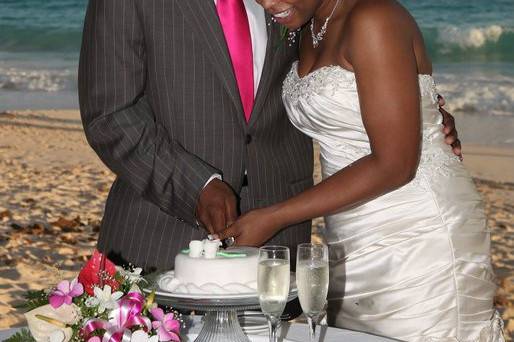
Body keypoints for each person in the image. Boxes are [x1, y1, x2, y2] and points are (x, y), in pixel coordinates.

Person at [78, 0, 459, 272]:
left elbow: (348, 57)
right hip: (156, 237)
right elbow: (110, 113)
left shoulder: (302, 10)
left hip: (281, 247)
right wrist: (196, 186)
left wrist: (422, 112)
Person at [217, 0, 504, 340]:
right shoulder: (303, 25)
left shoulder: (374, 18)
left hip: (417, 233)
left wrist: (276, 216)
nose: (267, 3)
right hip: (348, 236)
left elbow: (394, 165)